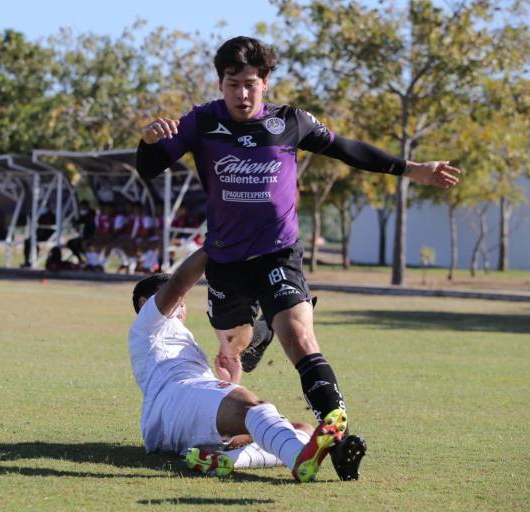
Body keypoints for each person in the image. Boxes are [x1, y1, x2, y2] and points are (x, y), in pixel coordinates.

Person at [135, 36, 461, 480]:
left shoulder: (290, 122)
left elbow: (346, 148)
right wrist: (150, 142)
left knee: (300, 336)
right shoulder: (201, 122)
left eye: (250, 84)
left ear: (265, 82)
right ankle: (242, 415)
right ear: (221, 83)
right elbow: (150, 167)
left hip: (277, 253)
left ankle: (336, 430)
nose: (242, 94)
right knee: (233, 351)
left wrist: (411, 169)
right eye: (233, 84)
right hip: (226, 261)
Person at [129, 248, 354, 482]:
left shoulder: (175, 338)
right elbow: (178, 283)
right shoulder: (147, 324)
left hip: (178, 421)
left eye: (184, 303)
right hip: (174, 401)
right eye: (174, 300)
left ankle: (225, 459)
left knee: (301, 430)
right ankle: (298, 458)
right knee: (254, 407)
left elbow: (202, 403)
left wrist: (229, 382)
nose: (181, 305)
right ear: (145, 303)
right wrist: (217, 243)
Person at [67, 200, 97, 264]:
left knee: (82, 244)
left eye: (84, 207)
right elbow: (77, 222)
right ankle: (80, 260)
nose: (83, 208)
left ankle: (90, 261)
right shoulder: (82, 214)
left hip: (91, 236)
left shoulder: (92, 214)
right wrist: (74, 222)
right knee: (71, 243)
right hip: (83, 236)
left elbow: (84, 221)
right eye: (82, 207)